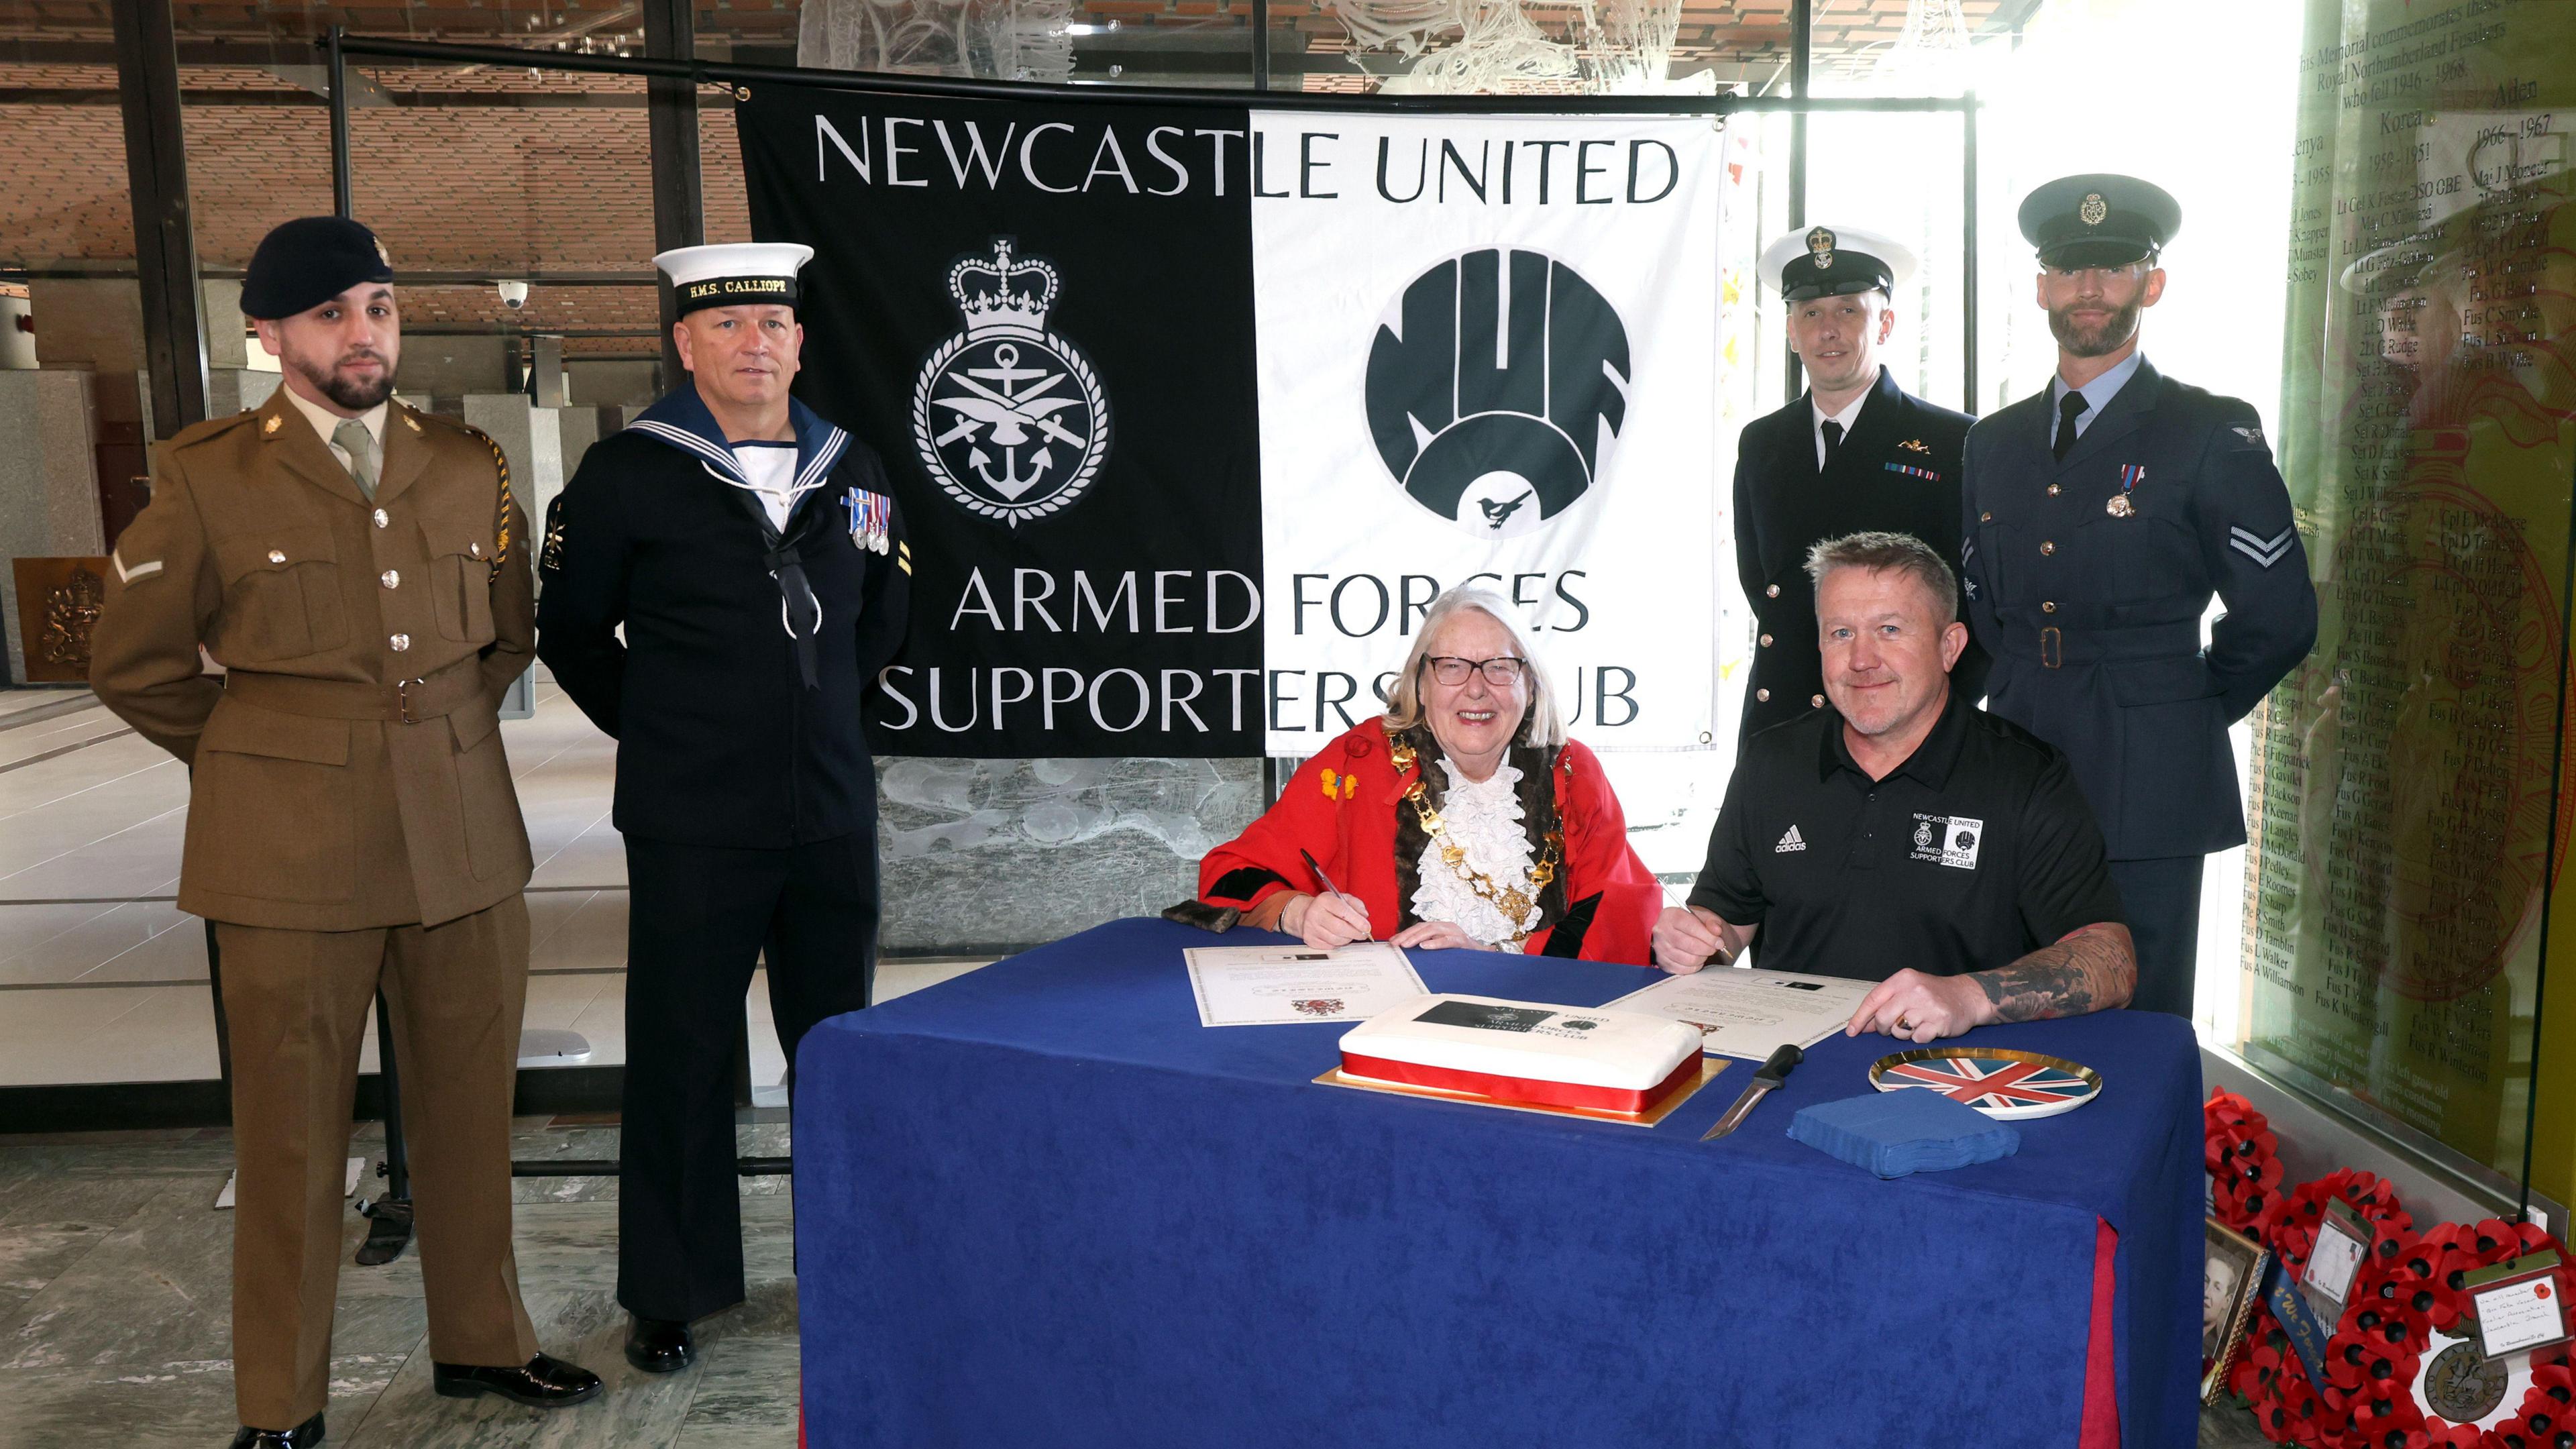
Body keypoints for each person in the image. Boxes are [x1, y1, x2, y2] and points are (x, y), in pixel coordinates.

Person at [87, 216, 600, 1448]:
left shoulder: (465, 459)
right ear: (269, 337)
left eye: (376, 306)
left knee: (474, 1110)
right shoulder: (208, 475)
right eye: (329, 314)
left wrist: (442, 749)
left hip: (466, 846)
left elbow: (507, 633)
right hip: (288, 860)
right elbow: (136, 664)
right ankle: (282, 1404)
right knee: (292, 1141)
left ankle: (484, 1341)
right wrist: (261, 760)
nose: (362, 334)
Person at [536, 241, 911, 1375]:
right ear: (685, 343)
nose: (758, 344)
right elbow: (571, 635)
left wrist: (825, 726)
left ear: (801, 341)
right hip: (694, 821)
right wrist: (668, 735)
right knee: (684, 1054)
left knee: (837, 1050)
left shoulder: (860, 472)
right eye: (731, 326)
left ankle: (847, 1267)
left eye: (775, 326)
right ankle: (674, 1290)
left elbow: (886, 618)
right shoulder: (627, 475)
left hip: (829, 815)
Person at [1958, 174, 2317, 1018]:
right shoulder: (1993, 442)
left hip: (2148, 774)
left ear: (2151, 284)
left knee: (2141, 1014)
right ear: (2042, 286)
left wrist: (2178, 707)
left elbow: (2279, 618)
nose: (2091, 289)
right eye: (2071, 269)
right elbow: (1981, 611)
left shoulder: (2207, 431)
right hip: (2012, 756)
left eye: (2114, 268)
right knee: (2006, 997)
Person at [1653, 531, 2136, 1041]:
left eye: (1889, 629)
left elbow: (2113, 962)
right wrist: (1694, 939)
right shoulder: (1771, 761)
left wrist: (1969, 996)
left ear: (1949, 647)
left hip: (1956, 1075)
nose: (1862, 659)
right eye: (1840, 633)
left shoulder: (2026, 776)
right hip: (1787, 1062)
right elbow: (1727, 921)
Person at [1179, 586, 1662, 964]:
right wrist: (1297, 912)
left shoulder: (1573, 772)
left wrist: (1496, 959)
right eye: (1452, 667)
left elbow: (1614, 912)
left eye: (1499, 668)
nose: (1476, 690)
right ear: (1421, 683)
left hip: (1537, 1017)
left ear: (1530, 686)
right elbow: (1233, 871)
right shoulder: (1359, 758)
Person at [1733, 223, 1984, 739]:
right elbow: (1763, 585)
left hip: (1901, 724)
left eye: (1849, 310)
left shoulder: (1952, 441)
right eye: (1811, 313)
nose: (1829, 330)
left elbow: (1981, 602)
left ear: (1885, 324)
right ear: (1791, 331)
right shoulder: (1762, 443)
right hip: (1783, 720)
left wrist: (1939, 713)